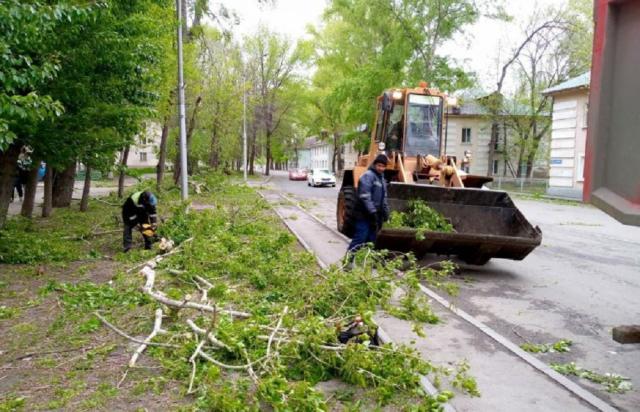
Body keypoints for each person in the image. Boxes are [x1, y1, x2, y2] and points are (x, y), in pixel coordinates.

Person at [347, 154, 390, 253]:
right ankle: (348, 260)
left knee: (372, 240)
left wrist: (386, 214)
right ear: (375, 165)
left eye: (383, 166)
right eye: (379, 165)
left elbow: (384, 199)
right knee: (360, 237)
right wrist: (372, 211)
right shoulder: (368, 175)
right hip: (363, 214)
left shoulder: (382, 180)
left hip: (373, 216)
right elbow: (365, 196)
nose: (381, 168)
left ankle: (367, 261)